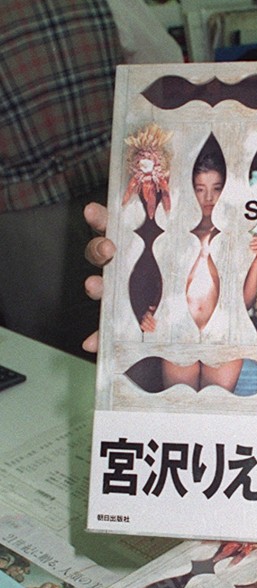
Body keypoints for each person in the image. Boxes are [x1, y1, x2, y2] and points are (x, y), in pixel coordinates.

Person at [0, 0, 182, 358]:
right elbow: (166, 65)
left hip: (24, 215)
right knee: (129, 334)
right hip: (115, 188)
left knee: (41, 357)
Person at [133, 147, 257, 393]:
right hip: (178, 333)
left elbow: (245, 302)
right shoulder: (174, 237)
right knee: (178, 404)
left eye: (216, 188)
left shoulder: (237, 238)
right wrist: (152, 314)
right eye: (200, 189)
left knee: (216, 408)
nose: (209, 197)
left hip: (223, 336)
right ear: (189, 191)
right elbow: (165, 290)